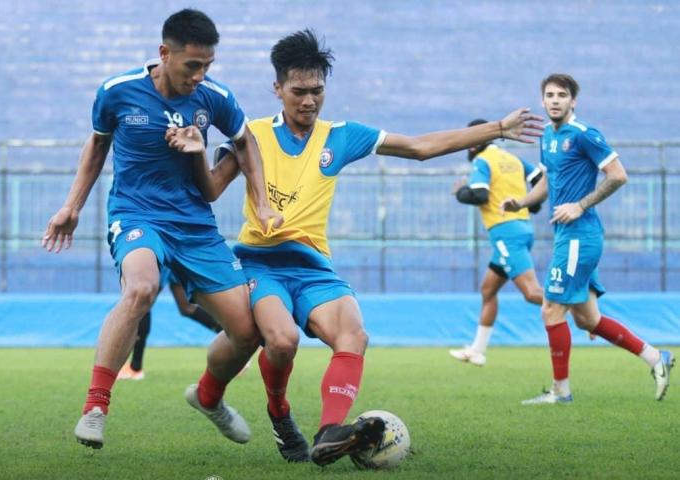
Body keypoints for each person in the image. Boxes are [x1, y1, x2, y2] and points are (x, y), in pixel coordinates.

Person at [175, 29, 543, 465]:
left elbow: (420, 147)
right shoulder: (249, 135)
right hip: (261, 264)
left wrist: (499, 127)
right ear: (277, 89)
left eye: (317, 91)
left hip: (313, 268)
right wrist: (192, 156)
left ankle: (330, 431)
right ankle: (280, 414)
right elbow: (209, 189)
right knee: (282, 339)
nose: (309, 101)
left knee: (354, 334)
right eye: (299, 91)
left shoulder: (342, 136)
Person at [41, 8, 281, 450]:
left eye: (208, 65)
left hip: (194, 226)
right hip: (136, 215)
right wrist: (71, 206)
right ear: (164, 53)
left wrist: (264, 204)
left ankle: (209, 397)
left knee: (248, 332)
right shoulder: (117, 91)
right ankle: (96, 407)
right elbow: (97, 145)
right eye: (192, 65)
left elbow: (248, 144)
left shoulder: (216, 98)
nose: (199, 75)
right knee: (141, 289)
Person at [502, 73, 674, 405]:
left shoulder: (584, 135)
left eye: (562, 95)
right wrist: (522, 202)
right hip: (568, 236)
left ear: (573, 101)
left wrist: (581, 205)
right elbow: (551, 181)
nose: (555, 100)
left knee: (551, 310)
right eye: (549, 95)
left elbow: (618, 175)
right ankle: (655, 357)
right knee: (587, 319)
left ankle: (561, 392)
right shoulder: (549, 138)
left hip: (580, 237)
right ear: (542, 100)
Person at [448, 119, 544, 366]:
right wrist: (532, 204)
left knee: (532, 293)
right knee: (488, 290)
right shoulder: (512, 158)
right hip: (521, 228)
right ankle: (477, 351)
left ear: (473, 143)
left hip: (505, 233)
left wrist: (460, 191)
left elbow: (479, 195)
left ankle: (583, 311)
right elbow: (540, 179)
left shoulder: (483, 161)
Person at [117, 274, 222, 381]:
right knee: (187, 307)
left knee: (142, 301)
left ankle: (135, 368)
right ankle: (234, 341)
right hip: (178, 259)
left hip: (163, 260)